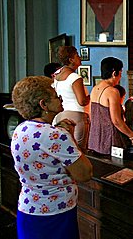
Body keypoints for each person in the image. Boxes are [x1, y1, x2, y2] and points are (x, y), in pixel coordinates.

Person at [10, 76, 92, 239]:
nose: (60, 98)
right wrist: (68, 136)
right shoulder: (56, 135)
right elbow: (85, 173)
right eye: (55, 95)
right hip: (55, 213)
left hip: (29, 208)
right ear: (43, 104)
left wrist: (59, 132)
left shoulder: (21, 129)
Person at [88, 57, 133, 156]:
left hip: (95, 140)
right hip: (109, 140)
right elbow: (116, 121)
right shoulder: (112, 91)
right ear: (114, 73)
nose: (120, 77)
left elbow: (91, 115)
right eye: (120, 73)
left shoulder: (95, 89)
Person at [52, 46, 90, 150]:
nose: (80, 57)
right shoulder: (74, 77)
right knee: (78, 150)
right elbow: (82, 101)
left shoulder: (57, 76)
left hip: (61, 115)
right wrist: (91, 96)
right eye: (77, 55)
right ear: (71, 60)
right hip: (76, 116)